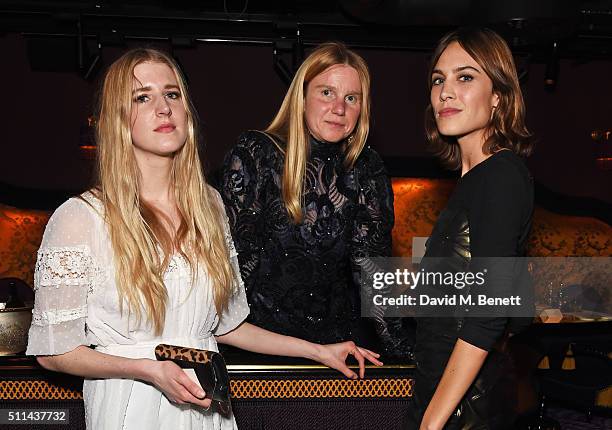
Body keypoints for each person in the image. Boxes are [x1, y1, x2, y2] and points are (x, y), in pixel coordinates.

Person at [25, 48, 382, 430]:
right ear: (117, 119)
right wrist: (146, 370)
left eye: (173, 94)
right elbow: (53, 352)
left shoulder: (208, 205)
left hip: (206, 406)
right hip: (132, 405)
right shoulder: (80, 217)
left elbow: (227, 326)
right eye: (142, 97)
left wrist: (319, 351)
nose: (163, 108)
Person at [220, 42, 404, 353]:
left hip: (340, 348)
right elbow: (237, 266)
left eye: (351, 98)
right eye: (326, 92)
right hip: (262, 350)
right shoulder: (258, 153)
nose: (339, 108)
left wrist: (402, 351)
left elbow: (371, 269)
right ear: (301, 97)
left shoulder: (367, 168)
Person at [412, 28, 535, 429]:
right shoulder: (473, 181)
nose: (446, 91)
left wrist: (431, 422)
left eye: (465, 77)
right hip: (444, 395)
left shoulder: (502, 175)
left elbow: (489, 314)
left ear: (498, 96)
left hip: (467, 410)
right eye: (438, 79)